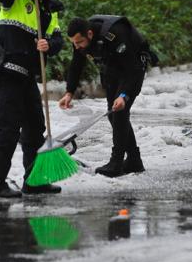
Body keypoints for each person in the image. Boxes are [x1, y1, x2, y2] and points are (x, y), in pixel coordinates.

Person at [0, 0, 65, 198]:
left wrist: (49, 45)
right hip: (8, 72)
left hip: (28, 77)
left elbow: (59, 39)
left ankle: (34, 181)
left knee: (35, 129)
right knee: (8, 130)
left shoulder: (49, 11)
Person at [58, 15, 156, 177]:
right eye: (74, 43)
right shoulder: (79, 40)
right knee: (114, 116)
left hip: (133, 68)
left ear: (89, 34)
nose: (77, 46)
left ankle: (116, 162)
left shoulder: (115, 34)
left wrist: (124, 95)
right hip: (112, 69)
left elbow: (131, 68)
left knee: (119, 114)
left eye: (79, 42)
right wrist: (69, 92)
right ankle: (134, 160)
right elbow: (76, 64)